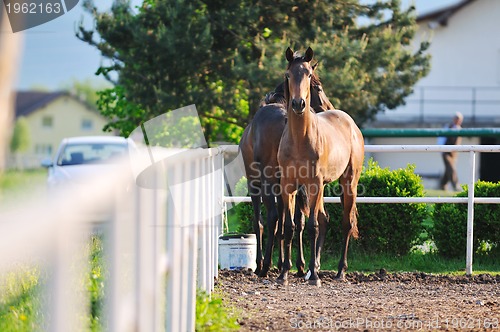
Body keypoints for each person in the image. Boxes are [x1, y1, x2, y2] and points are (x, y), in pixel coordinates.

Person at [439, 112, 463, 191]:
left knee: (448, 170)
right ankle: (455, 185)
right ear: (453, 119)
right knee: (451, 168)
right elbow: (441, 138)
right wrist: (440, 149)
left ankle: (442, 185)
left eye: (459, 119)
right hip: (446, 152)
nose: (457, 120)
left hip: (454, 153)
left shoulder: (460, 129)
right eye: (456, 118)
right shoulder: (448, 127)